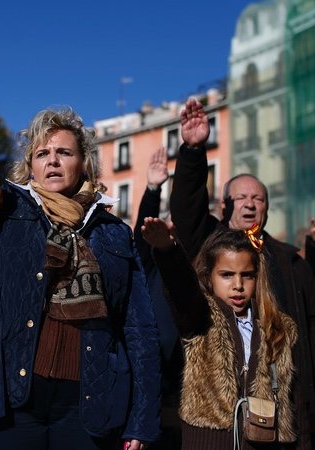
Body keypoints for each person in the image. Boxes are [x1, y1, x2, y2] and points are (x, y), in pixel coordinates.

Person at [0, 44, 160, 450]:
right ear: (31, 165)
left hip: (87, 404)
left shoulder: (114, 233)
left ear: (84, 164)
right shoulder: (9, 211)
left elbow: (138, 329)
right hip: (12, 400)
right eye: (43, 153)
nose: (53, 161)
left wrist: (141, 421)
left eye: (64, 152)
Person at [169, 98, 315, 447]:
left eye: (258, 198)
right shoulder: (207, 241)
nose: (251, 204)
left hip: (277, 414)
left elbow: (313, 330)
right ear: (225, 204)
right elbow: (186, 208)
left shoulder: (290, 261)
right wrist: (194, 152)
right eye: (241, 197)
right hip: (216, 422)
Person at [142, 218, 298, 450]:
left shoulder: (278, 327)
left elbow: (297, 404)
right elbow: (181, 288)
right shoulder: (200, 317)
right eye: (226, 275)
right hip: (208, 442)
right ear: (208, 277)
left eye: (247, 275)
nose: (237, 284)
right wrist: (168, 250)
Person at [132, 147, 181, 450]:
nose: (171, 228)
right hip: (151, 373)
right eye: (168, 222)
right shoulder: (150, 261)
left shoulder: (201, 263)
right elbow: (141, 237)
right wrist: (152, 189)